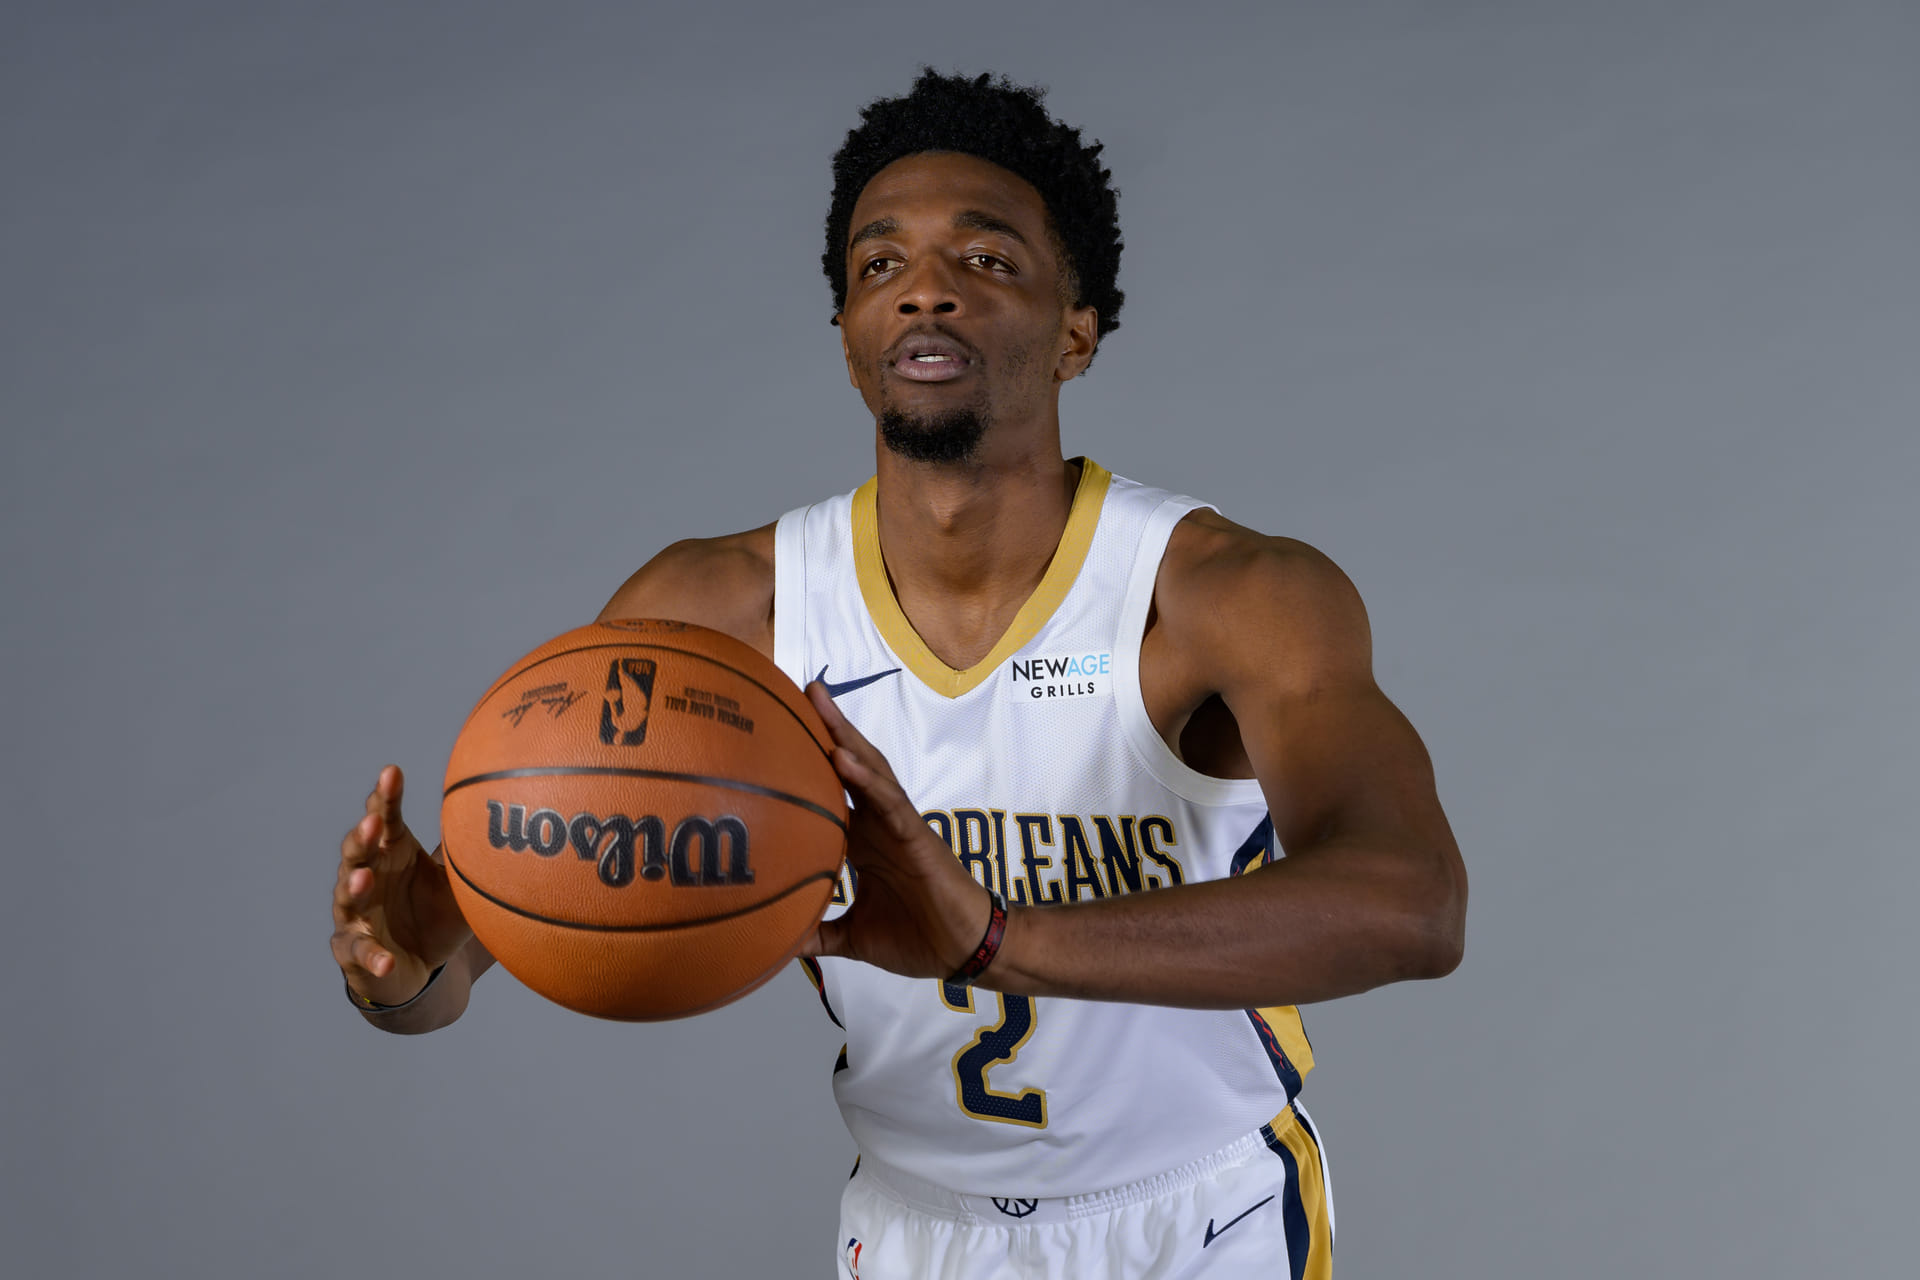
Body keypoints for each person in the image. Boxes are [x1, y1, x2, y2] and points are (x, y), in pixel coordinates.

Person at [330, 70, 1467, 1279]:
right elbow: (465, 961)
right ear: (848, 339)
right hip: (917, 1230)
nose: (924, 287)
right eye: (881, 265)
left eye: (984, 259)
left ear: (1076, 332)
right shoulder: (721, 613)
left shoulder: (1221, 593)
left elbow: (1413, 904)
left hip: (1197, 1220)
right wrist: (404, 957)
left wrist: (995, 938)